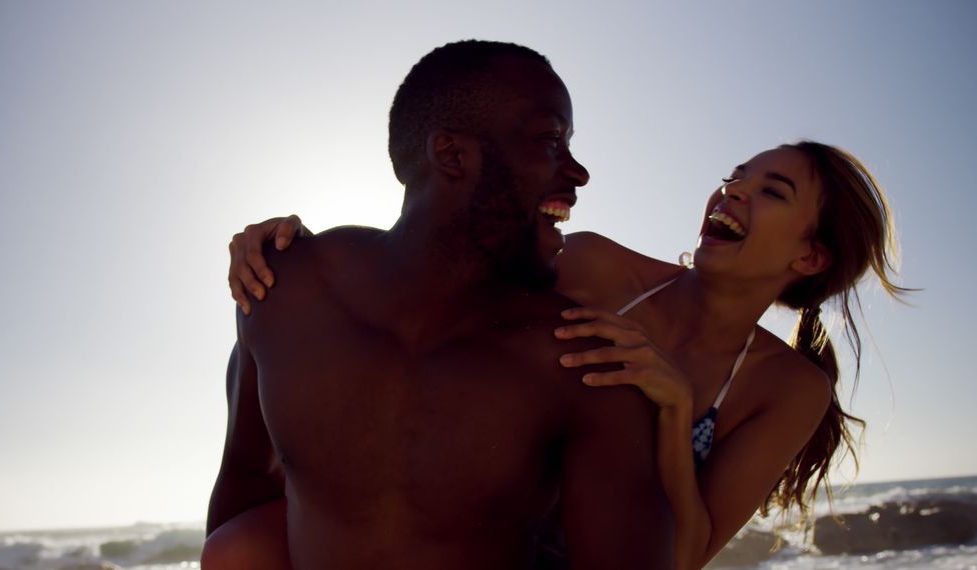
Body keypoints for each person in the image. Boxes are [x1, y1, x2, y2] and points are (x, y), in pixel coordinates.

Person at [229, 138, 909, 568]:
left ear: (809, 255)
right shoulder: (597, 267)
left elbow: (686, 555)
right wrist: (307, 256)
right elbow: (440, 297)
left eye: (771, 191)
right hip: (468, 528)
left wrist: (673, 414)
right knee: (239, 548)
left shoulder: (786, 388)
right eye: (736, 176)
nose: (732, 191)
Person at [204, 40, 675, 570]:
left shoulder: (581, 364)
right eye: (550, 140)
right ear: (452, 155)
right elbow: (243, 484)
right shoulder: (282, 288)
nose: (578, 173)